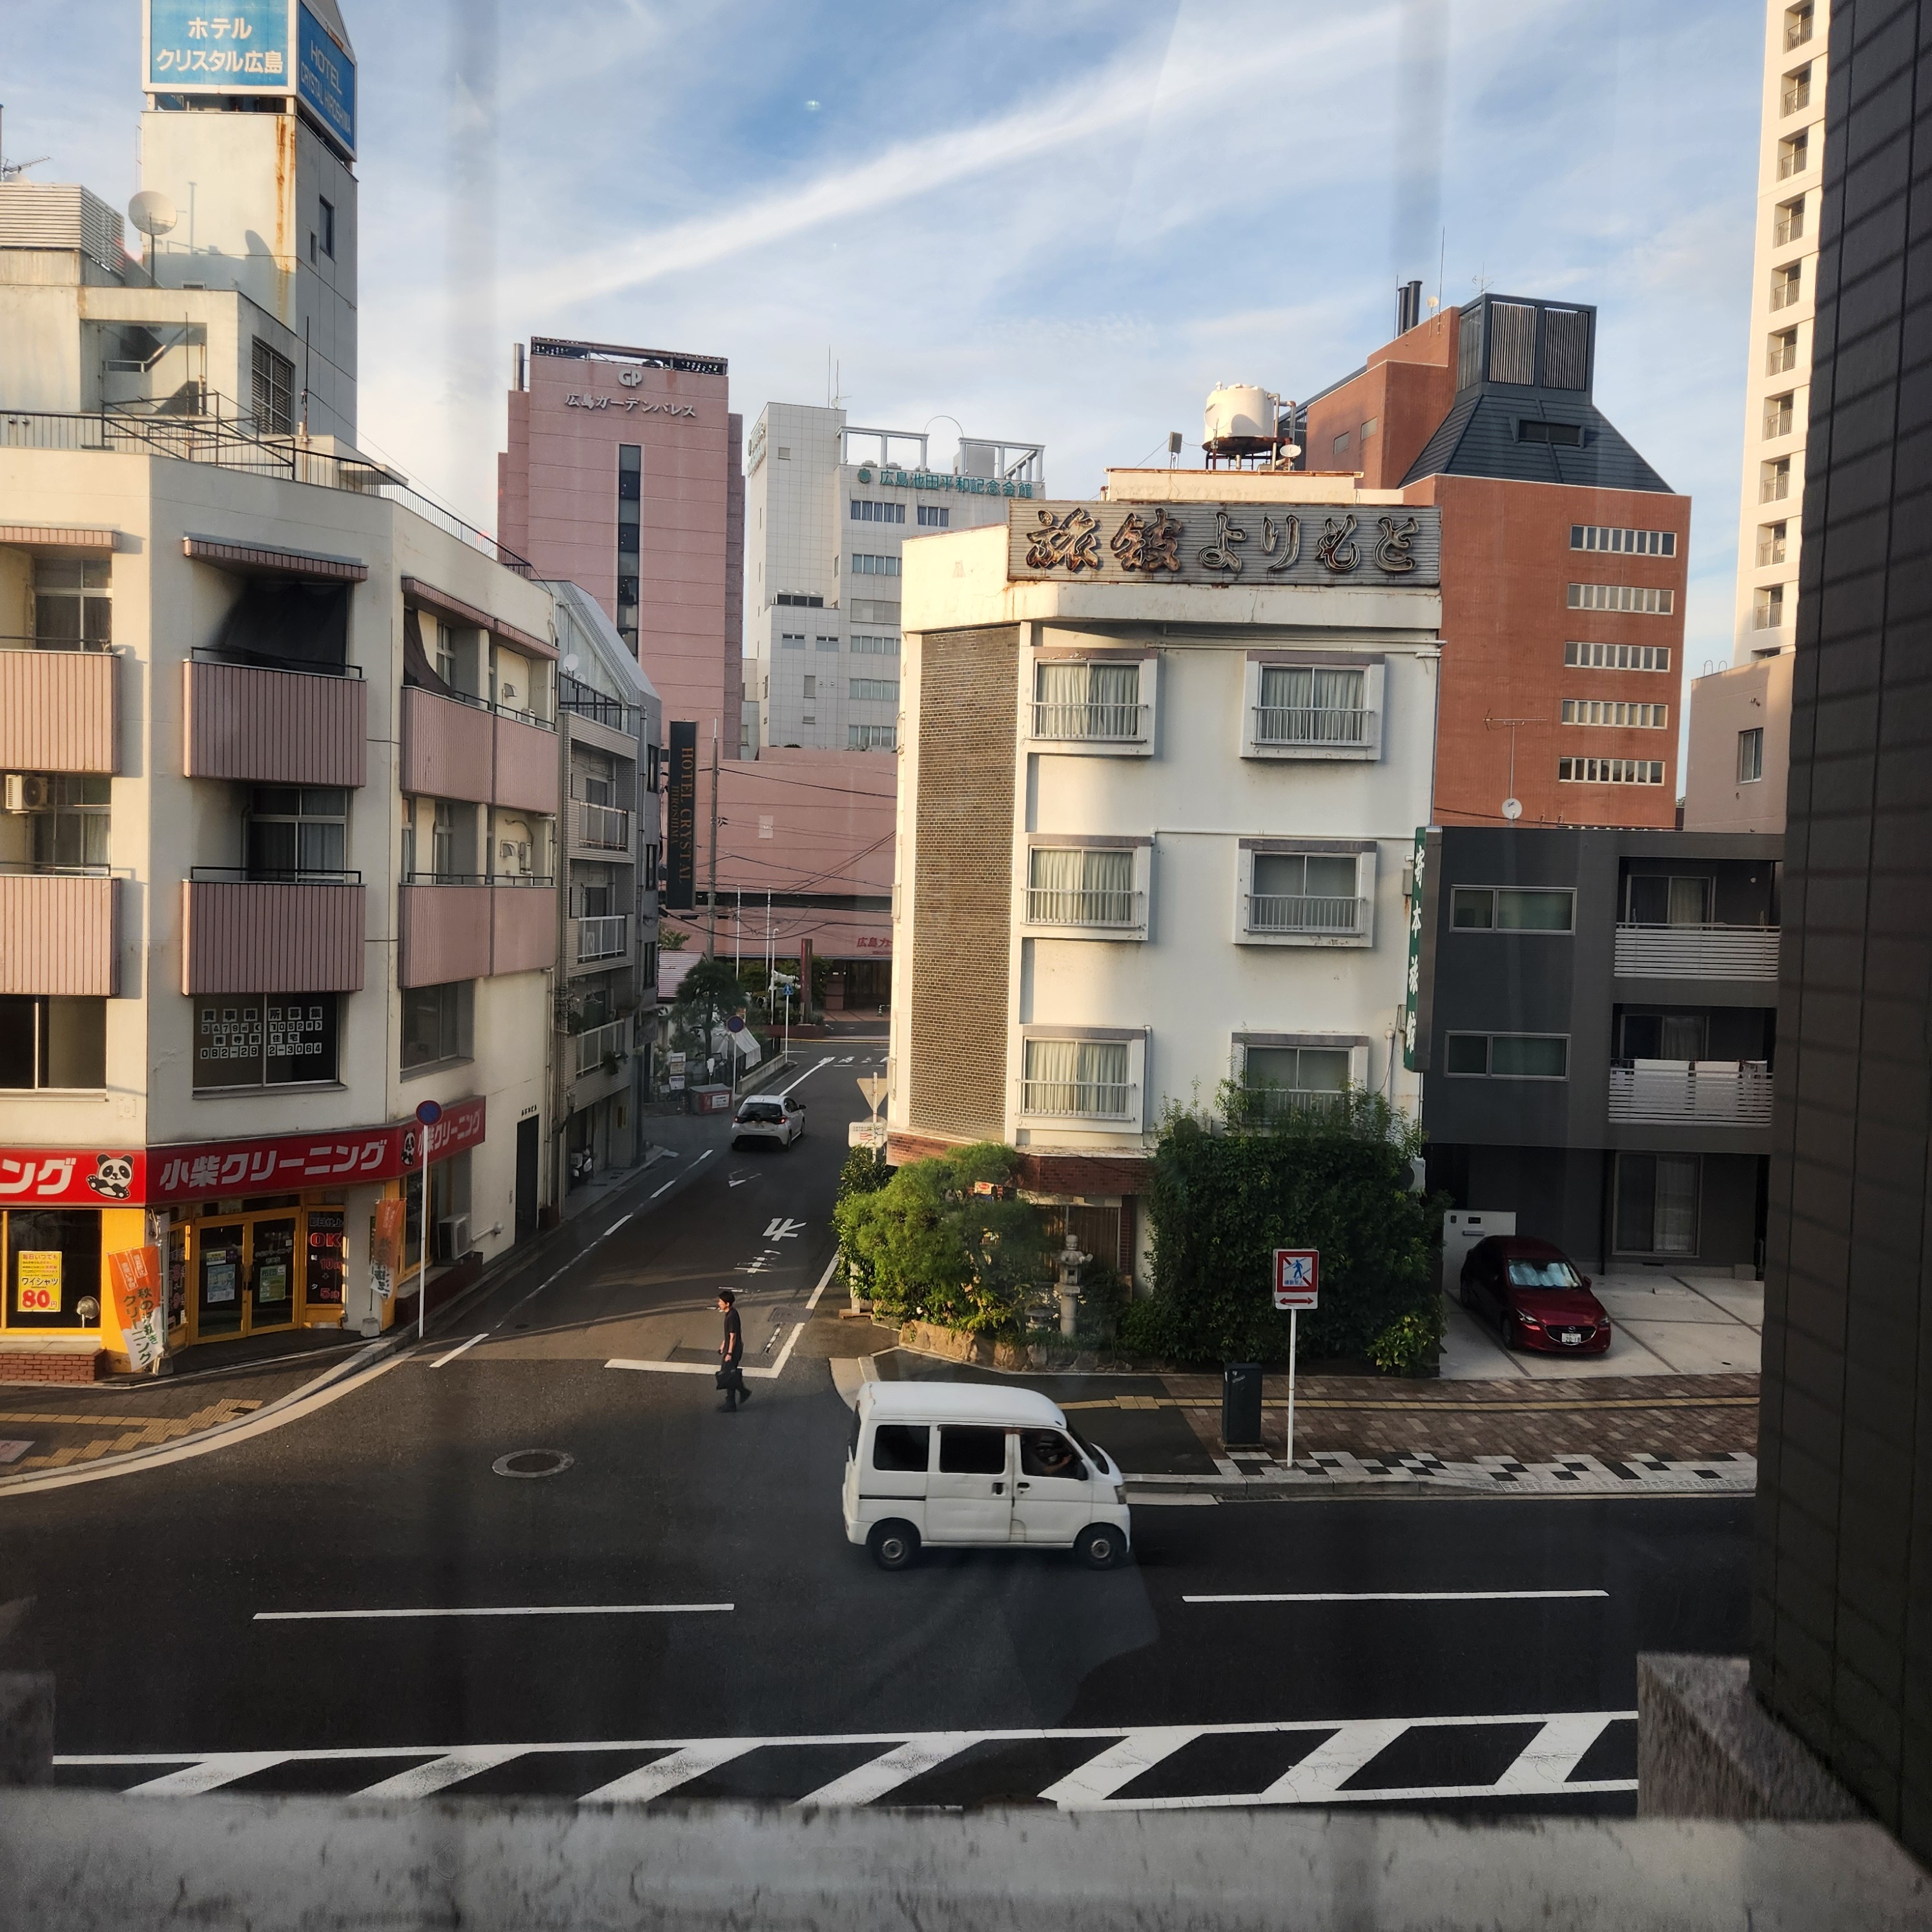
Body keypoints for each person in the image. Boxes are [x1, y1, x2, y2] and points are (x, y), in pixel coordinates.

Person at [716, 1288, 748, 1411]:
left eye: (721, 1302)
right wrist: (723, 1345)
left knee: (728, 1375)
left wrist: (729, 1353)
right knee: (729, 1374)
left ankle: (733, 1401)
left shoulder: (731, 1317)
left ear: (727, 1304)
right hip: (732, 1348)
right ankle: (739, 1394)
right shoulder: (731, 1313)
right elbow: (729, 1335)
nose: (719, 1303)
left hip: (734, 1350)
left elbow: (733, 1336)